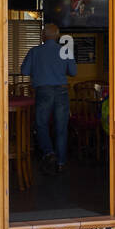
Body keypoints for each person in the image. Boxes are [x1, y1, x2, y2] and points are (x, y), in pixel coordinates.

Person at [20, 23, 77, 174]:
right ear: (58, 36)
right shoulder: (65, 51)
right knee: (61, 128)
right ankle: (61, 162)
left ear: (43, 36)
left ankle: (49, 152)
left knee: (41, 125)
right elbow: (73, 71)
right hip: (62, 92)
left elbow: (24, 70)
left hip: (43, 91)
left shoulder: (35, 51)